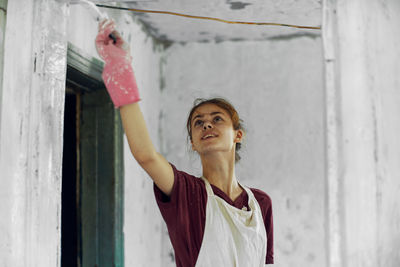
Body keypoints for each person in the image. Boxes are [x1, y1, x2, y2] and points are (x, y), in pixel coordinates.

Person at [95, 19, 274, 266]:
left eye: (217, 119)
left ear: (238, 135)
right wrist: (119, 68)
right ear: (193, 143)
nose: (206, 125)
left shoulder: (261, 203)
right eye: (198, 123)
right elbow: (146, 155)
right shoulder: (187, 193)